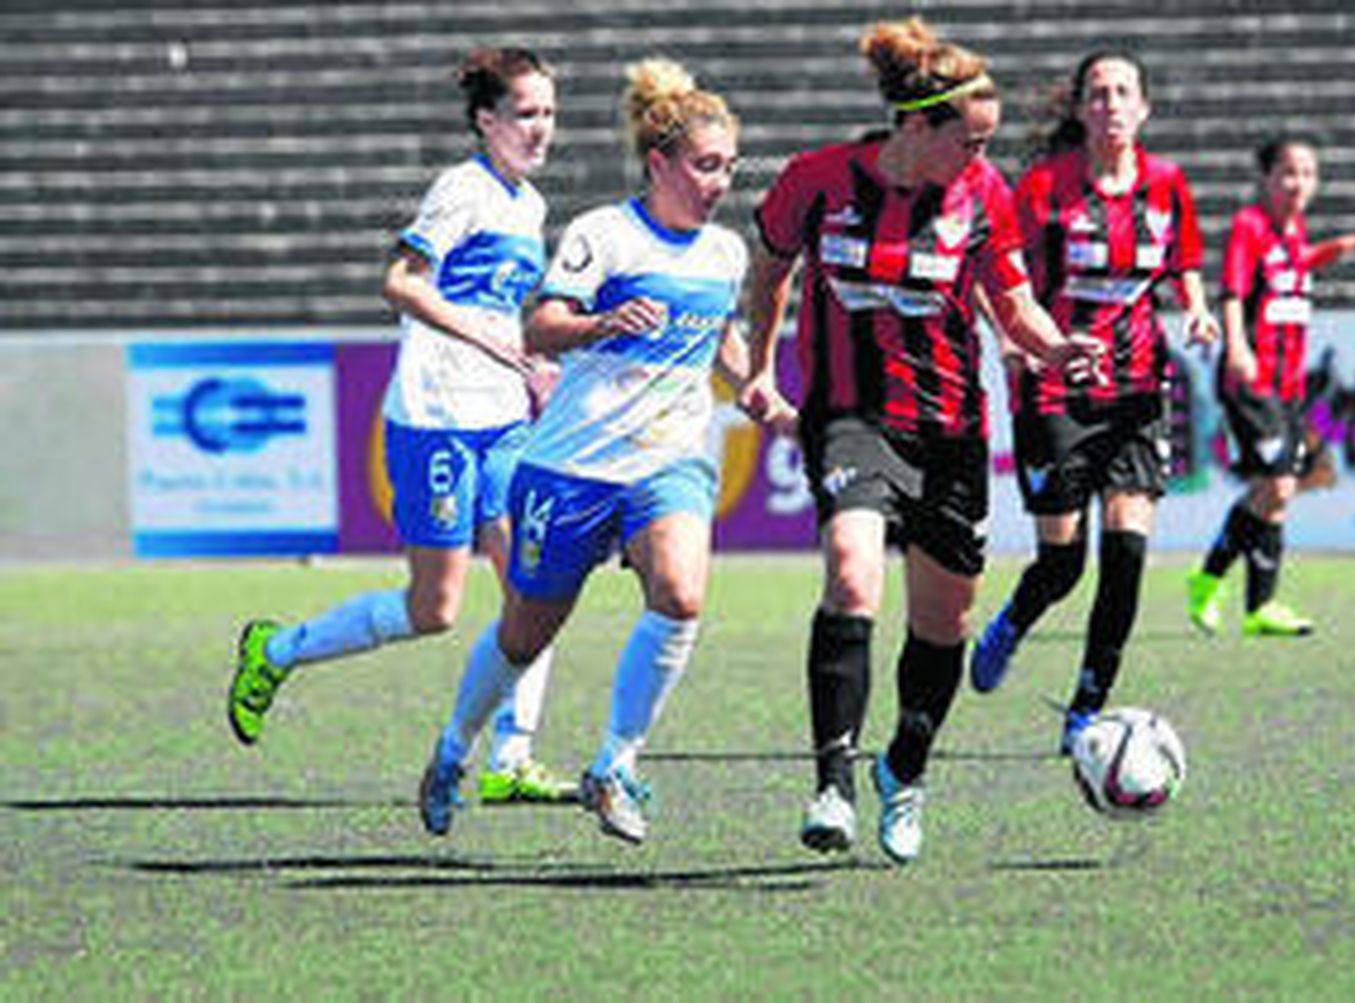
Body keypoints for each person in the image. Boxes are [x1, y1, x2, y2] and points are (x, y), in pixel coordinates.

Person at [741, 18, 1102, 865]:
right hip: (851, 418)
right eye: (968, 140)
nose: (980, 157)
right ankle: (833, 780)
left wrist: (1055, 346)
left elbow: (1013, 307)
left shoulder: (984, 197)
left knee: (945, 622)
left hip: (950, 433)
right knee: (852, 572)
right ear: (917, 125)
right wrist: (759, 368)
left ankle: (904, 771)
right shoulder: (817, 180)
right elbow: (768, 267)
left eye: (988, 142)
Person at [417, 57, 784, 844]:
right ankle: (452, 750)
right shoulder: (604, 235)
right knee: (526, 632)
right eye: (705, 165)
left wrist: (758, 386)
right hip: (573, 466)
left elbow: (723, 338)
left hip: (669, 463)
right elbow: (539, 325)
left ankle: (615, 763)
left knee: (681, 595)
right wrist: (599, 325)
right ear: (661, 163)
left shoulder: (724, 254)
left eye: (728, 166)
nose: (720, 181)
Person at [227, 47, 573, 804]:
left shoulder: (529, 205)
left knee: (536, 583)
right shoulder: (462, 189)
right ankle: (276, 649)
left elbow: (501, 311)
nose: (541, 128)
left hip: (503, 421)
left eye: (548, 112)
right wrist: (487, 340)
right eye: (525, 113)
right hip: (437, 420)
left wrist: (528, 370)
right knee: (435, 610)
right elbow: (401, 282)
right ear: (487, 120)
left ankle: (510, 758)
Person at [969, 51, 1219, 752]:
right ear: (1081, 110)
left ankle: (1086, 704)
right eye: (1099, 94)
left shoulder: (1168, 185)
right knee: (1063, 564)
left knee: (1128, 551)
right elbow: (995, 270)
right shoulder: (1046, 186)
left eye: (1123, 92)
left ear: (1144, 108)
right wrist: (1011, 338)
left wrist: (1196, 310)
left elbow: (1184, 262)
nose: (1111, 104)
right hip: (1056, 390)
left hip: (1138, 388)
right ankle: (1013, 622)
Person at [1188, 136, 1355, 637]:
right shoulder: (1249, 226)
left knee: (1276, 493)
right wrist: (1237, 348)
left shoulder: (1293, 231)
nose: (1299, 183)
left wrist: (1342, 247)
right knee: (1276, 485)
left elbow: (1297, 264)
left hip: (1289, 385)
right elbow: (1233, 292)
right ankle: (1210, 577)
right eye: (1288, 172)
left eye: (1308, 173)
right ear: (1266, 178)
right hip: (1253, 380)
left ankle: (1259, 607)